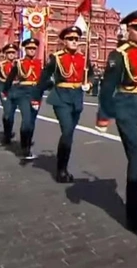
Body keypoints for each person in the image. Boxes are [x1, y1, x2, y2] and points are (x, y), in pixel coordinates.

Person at [97, 9, 137, 235]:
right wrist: (104, 116)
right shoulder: (118, 55)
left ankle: (134, 208)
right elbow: (108, 87)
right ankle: (133, 215)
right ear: (128, 30)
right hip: (126, 110)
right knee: (136, 160)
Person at [36, 25, 92, 183]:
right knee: (67, 131)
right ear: (64, 41)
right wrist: (36, 96)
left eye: (76, 39)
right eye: (70, 39)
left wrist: (90, 83)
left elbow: (92, 75)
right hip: (60, 98)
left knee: (69, 135)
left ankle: (63, 166)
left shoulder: (83, 57)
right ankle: (61, 170)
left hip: (77, 99)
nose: (74, 41)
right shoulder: (57, 58)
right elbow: (44, 76)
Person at [2, 38, 43, 160]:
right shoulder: (19, 63)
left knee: (31, 122)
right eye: (29, 48)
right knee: (26, 120)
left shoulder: (39, 63)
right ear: (25, 49)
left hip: (36, 94)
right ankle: (25, 146)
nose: (32, 50)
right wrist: (5, 92)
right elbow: (10, 78)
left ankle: (27, 144)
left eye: (34, 48)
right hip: (23, 93)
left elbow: (43, 79)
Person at [0, 43, 19, 145]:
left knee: (12, 113)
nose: (11, 55)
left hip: (17, 90)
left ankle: (8, 132)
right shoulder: (1, 65)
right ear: (5, 54)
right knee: (7, 113)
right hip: (5, 90)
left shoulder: (19, 64)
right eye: (9, 53)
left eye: (13, 52)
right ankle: (7, 134)